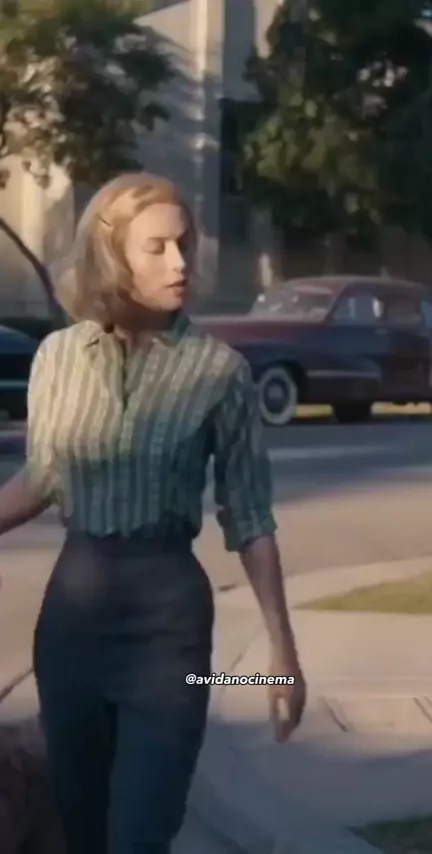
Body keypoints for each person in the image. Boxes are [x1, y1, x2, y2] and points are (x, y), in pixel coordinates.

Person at [0, 172, 306, 854]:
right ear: (112, 257)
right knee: (80, 830)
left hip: (172, 637)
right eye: (158, 247)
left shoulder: (220, 372)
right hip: (72, 625)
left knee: (141, 834)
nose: (180, 263)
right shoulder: (56, 359)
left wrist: (282, 653)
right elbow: (43, 477)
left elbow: (250, 518)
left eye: (184, 245)